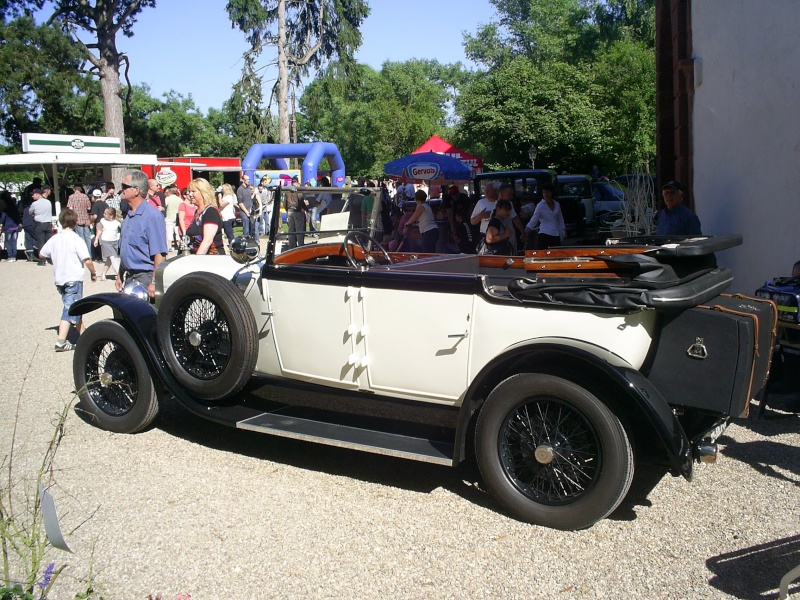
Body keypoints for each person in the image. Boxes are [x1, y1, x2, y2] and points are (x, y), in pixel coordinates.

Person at [38, 208, 98, 351]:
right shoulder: (77, 239)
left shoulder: (55, 238)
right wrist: (93, 273)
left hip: (60, 279)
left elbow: (41, 254)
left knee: (74, 306)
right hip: (73, 278)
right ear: (76, 222)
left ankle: (84, 336)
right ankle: (61, 341)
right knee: (70, 309)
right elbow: (87, 260)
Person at [115, 169, 168, 298]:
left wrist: (154, 282)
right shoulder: (128, 216)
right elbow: (127, 249)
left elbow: (160, 254)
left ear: (136, 190)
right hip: (130, 277)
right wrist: (120, 274)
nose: (121, 189)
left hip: (145, 279)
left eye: (124, 186)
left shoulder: (152, 216)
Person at [471, 182, 526, 247]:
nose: (486, 192)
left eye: (488, 190)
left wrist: (523, 232)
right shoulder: (481, 203)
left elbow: (515, 218)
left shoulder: (508, 204)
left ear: (496, 191)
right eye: (485, 190)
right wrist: (481, 216)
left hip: (506, 236)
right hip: (487, 235)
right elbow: (472, 222)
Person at [186, 178, 226, 255]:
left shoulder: (210, 212)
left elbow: (207, 241)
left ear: (203, 193)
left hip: (210, 259)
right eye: (189, 191)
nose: (190, 194)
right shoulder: (198, 212)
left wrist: (195, 261)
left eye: (193, 191)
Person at [525, 182, 565, 250]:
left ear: (552, 193)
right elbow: (534, 220)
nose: (546, 194)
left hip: (556, 234)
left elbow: (560, 219)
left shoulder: (557, 204)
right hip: (544, 234)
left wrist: (563, 230)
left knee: (557, 255)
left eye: (547, 192)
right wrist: (525, 231)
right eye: (544, 192)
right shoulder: (540, 206)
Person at [93, 206, 121, 279]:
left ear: (111, 216)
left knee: (109, 260)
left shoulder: (117, 222)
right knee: (114, 258)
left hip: (114, 242)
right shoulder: (102, 221)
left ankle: (103, 274)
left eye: (105, 214)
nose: (103, 215)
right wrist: (96, 239)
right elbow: (99, 230)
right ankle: (120, 276)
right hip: (105, 242)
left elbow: (124, 229)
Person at [29, 188, 54, 266]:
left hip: (40, 224)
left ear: (37, 194)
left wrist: (35, 214)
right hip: (48, 223)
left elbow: (30, 212)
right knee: (49, 242)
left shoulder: (34, 204)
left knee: (41, 242)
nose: (32, 196)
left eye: (33, 194)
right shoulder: (48, 202)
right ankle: (51, 259)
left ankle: (42, 260)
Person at [67, 184, 92, 254]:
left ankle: (83, 254)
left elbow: (70, 208)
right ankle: (89, 254)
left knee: (80, 238)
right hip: (86, 219)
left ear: (74, 190)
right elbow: (89, 208)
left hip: (77, 219)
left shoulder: (71, 197)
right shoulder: (85, 196)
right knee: (88, 237)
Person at [283, 176, 305, 249]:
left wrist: (287, 210)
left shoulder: (287, 191)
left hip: (289, 211)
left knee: (291, 229)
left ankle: (292, 245)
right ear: (297, 182)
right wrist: (305, 209)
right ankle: (300, 245)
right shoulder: (297, 190)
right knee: (299, 229)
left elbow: (284, 203)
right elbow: (301, 200)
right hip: (297, 211)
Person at [0, 193, 21, 262]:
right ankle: (14, 256)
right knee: (14, 242)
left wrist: (1, 225)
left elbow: (2, 219)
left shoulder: (5, 210)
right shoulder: (15, 209)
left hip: (8, 227)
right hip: (15, 227)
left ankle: (10, 256)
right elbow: (18, 218)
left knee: (8, 242)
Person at [163, 185, 182, 250]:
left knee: (169, 232)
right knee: (177, 231)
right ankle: (179, 245)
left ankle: (170, 247)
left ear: (170, 192)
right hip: (177, 217)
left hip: (169, 217)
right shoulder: (179, 199)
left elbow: (164, 206)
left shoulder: (167, 199)